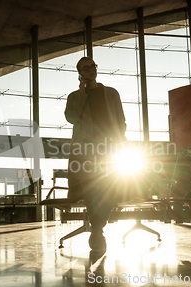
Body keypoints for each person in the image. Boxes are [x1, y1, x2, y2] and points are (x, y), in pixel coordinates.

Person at [65, 57, 126, 252]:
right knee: (92, 187)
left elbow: (120, 120)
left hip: (109, 150)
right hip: (86, 152)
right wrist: (83, 92)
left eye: (93, 66)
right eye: (86, 68)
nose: (91, 69)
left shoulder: (111, 93)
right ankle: (98, 229)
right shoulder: (75, 96)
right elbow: (72, 117)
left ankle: (98, 228)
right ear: (80, 73)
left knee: (109, 186)